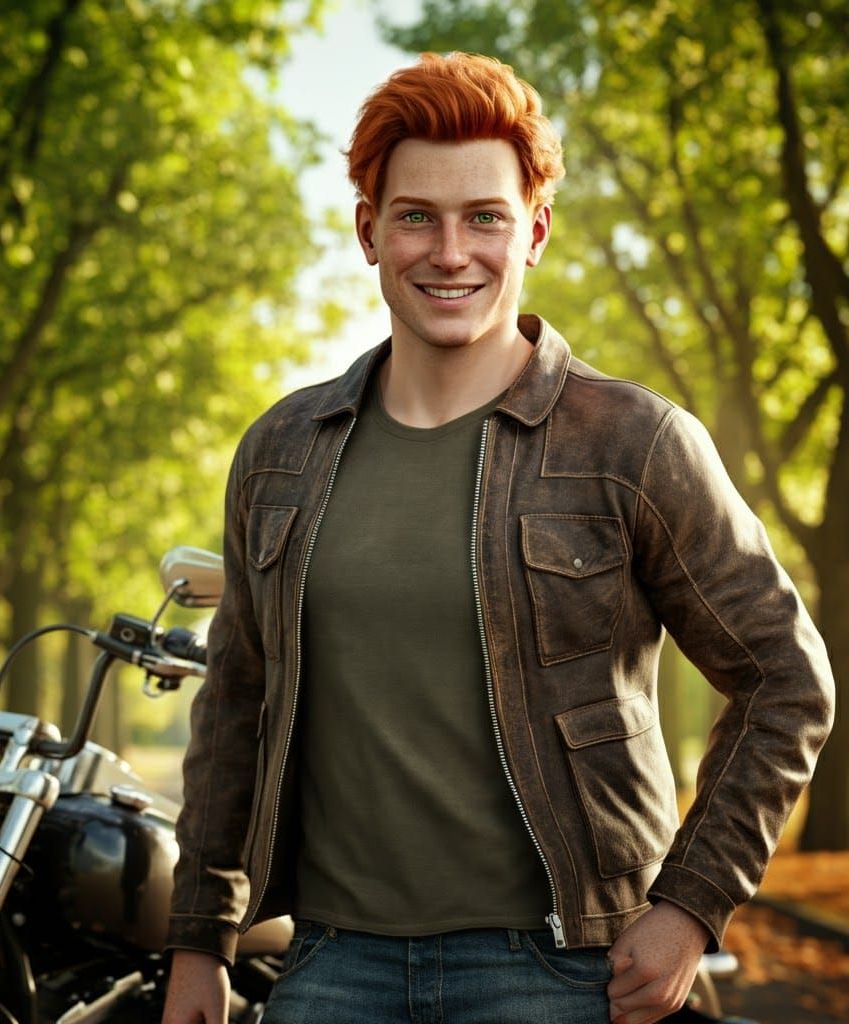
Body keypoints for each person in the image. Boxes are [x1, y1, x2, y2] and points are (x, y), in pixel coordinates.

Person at [161, 52, 834, 1024]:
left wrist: (690, 904)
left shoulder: (634, 444)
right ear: (368, 230)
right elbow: (236, 708)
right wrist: (198, 942)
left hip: (564, 974)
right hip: (329, 968)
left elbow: (785, 677)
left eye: (484, 216)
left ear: (536, 232)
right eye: (415, 216)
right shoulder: (278, 452)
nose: (449, 252)